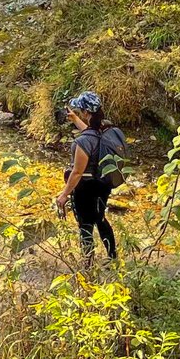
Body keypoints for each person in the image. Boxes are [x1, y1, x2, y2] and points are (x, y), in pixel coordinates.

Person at [52, 90, 123, 263]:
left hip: (85, 187)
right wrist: (75, 120)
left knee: (85, 225)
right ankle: (113, 257)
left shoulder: (82, 142)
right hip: (103, 184)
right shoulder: (107, 129)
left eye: (79, 111)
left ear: (86, 112)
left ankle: (88, 263)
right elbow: (94, 136)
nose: (78, 113)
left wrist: (64, 195)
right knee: (100, 218)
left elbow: (77, 172)